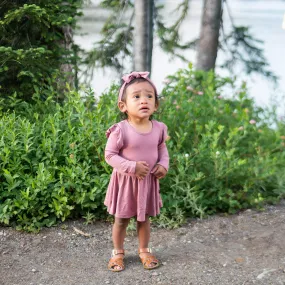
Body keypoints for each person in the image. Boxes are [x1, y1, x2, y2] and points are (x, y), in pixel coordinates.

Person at [104, 71, 169, 272]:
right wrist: (132, 167)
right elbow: (110, 155)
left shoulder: (158, 128)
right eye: (137, 96)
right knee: (121, 219)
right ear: (123, 106)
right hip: (125, 183)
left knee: (144, 218)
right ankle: (118, 252)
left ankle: (144, 250)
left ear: (156, 105)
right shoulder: (120, 130)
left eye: (150, 96)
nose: (144, 101)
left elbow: (162, 150)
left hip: (147, 182)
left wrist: (163, 165)